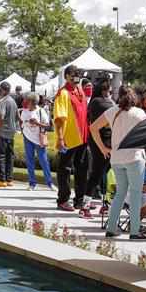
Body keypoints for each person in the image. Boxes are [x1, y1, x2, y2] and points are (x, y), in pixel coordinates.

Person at [90, 85, 146, 240]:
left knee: (120, 194)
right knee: (136, 195)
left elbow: (93, 128)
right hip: (134, 157)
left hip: (116, 158)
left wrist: (103, 148)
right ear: (134, 97)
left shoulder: (112, 111)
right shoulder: (139, 114)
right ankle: (134, 231)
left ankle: (111, 228)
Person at [53, 65, 89, 214]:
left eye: (78, 76)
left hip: (83, 137)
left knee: (82, 169)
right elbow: (59, 118)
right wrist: (60, 138)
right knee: (65, 169)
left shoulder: (79, 90)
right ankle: (63, 200)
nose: (76, 79)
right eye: (73, 76)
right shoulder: (63, 93)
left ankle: (79, 200)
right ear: (67, 76)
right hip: (69, 138)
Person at [86, 79, 114, 202]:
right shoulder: (101, 102)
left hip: (100, 139)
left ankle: (99, 198)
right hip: (102, 140)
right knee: (98, 171)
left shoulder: (94, 102)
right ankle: (87, 200)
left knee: (101, 170)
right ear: (105, 90)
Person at [20, 92, 54, 191]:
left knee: (44, 161)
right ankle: (32, 183)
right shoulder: (24, 111)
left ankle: (49, 183)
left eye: (28, 101)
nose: (26, 102)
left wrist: (37, 123)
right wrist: (27, 123)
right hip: (27, 138)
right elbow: (22, 122)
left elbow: (48, 126)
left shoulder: (41, 111)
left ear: (33, 102)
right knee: (30, 161)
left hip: (39, 139)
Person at [0, 81, 19, 187]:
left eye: (0, 89)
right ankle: (9, 179)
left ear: (3, 90)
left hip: (3, 132)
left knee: (1, 156)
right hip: (11, 132)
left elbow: (0, 117)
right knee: (9, 156)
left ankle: (1, 179)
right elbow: (17, 116)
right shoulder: (13, 101)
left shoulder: (3, 101)